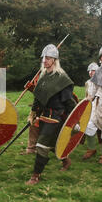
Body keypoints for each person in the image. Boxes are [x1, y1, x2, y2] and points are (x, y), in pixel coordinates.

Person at [25, 44, 76, 185]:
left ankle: (35, 175)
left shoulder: (62, 78)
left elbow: (69, 102)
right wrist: (33, 113)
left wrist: (75, 120)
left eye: (48, 58)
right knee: (52, 144)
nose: (44, 61)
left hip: (56, 117)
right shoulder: (43, 76)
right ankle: (66, 161)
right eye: (43, 58)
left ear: (55, 60)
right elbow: (38, 97)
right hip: (44, 115)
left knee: (41, 145)